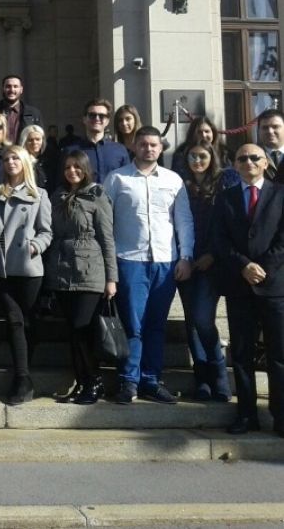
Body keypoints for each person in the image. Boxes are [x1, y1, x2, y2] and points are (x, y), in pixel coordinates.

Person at [104, 126, 194, 404]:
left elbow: (184, 220)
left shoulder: (173, 180)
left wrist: (186, 256)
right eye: (143, 144)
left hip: (165, 262)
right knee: (133, 325)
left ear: (161, 147)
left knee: (156, 325)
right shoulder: (117, 178)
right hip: (130, 260)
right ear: (134, 146)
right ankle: (129, 381)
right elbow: (105, 222)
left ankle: (151, 380)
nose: (149, 149)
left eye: (154, 144)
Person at [214, 143, 284, 437]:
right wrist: (243, 266)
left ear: (266, 163)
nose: (249, 162)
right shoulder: (225, 198)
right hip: (239, 286)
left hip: (274, 286)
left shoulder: (280, 194)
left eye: (255, 157)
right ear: (235, 165)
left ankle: (280, 416)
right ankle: (246, 415)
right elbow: (219, 239)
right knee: (242, 355)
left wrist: (262, 267)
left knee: (279, 354)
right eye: (242, 158)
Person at [45, 151, 117, 404]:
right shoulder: (57, 196)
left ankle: (95, 381)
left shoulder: (96, 195)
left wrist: (111, 278)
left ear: (86, 169)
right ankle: (82, 381)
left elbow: (107, 238)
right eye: (67, 167)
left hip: (90, 270)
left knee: (82, 327)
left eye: (77, 167)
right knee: (72, 332)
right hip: (62, 269)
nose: (72, 171)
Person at [0, 145, 52, 404]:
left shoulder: (39, 194)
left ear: (25, 162)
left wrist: (34, 246)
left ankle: (23, 374)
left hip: (28, 268)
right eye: (6, 159)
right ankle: (22, 378)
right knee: (14, 321)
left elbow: (46, 231)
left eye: (15, 158)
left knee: (27, 322)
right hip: (2, 268)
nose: (10, 162)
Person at [178, 140, 234, 401]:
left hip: (212, 262)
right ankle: (202, 378)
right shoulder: (180, 185)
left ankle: (218, 371)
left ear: (211, 157)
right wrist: (184, 256)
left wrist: (212, 254)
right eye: (192, 156)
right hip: (186, 260)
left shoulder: (223, 184)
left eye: (202, 156)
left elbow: (227, 224)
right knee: (192, 322)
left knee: (203, 319)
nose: (197, 161)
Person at [62, 98, 130, 183]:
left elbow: (127, 182)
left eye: (102, 116)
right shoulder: (70, 151)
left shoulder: (119, 150)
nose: (97, 118)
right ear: (84, 119)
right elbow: (62, 184)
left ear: (107, 121)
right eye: (92, 115)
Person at [0, 75, 42, 144]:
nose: (12, 90)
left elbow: (40, 138)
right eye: (8, 86)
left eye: (15, 86)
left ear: (21, 90)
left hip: (24, 150)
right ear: (3, 89)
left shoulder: (34, 113)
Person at [257, 108, 284, 183]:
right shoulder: (249, 157)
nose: (270, 131)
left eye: (275, 127)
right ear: (258, 131)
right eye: (265, 128)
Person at [19, 124, 49, 189]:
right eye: (30, 140)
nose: (34, 142)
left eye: (38, 139)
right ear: (24, 142)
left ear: (43, 141)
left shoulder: (49, 158)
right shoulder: (20, 160)